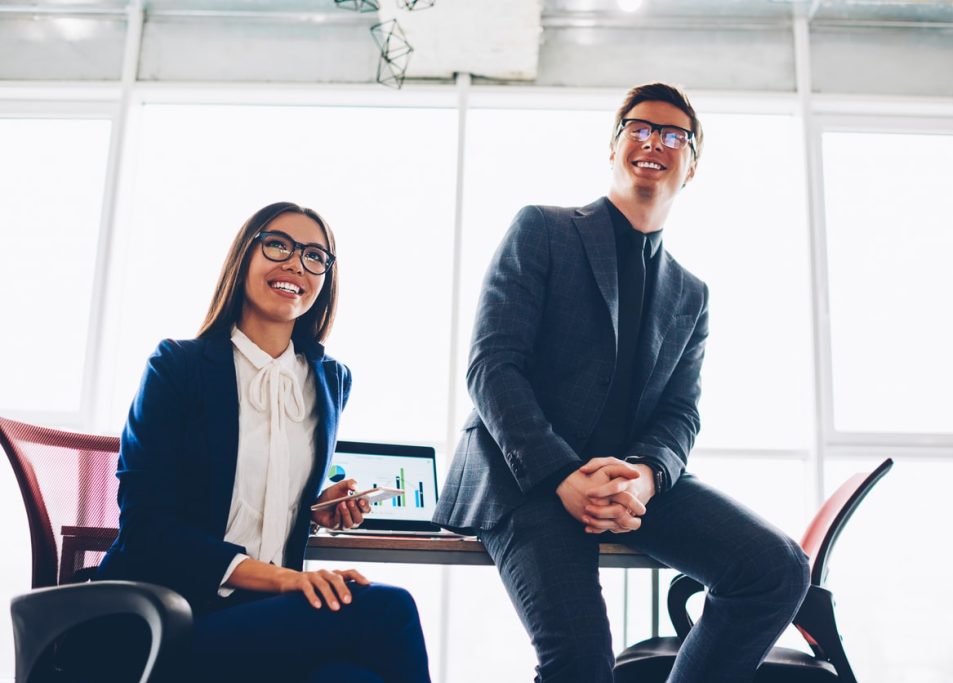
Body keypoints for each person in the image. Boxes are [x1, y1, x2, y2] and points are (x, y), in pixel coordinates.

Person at [434, 83, 810, 683]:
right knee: (582, 664)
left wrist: (648, 475)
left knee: (776, 568)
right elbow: (492, 365)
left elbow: (681, 414)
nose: (653, 141)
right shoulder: (544, 229)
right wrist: (562, 474)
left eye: (673, 135)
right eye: (638, 127)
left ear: (691, 167)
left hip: (630, 484)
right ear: (613, 147)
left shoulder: (691, 292)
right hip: (525, 477)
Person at [96, 202, 431, 683]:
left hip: (266, 619)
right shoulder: (178, 367)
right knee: (389, 609)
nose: (296, 264)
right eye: (279, 245)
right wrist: (288, 580)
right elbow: (147, 526)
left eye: (315, 256)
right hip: (170, 615)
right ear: (245, 256)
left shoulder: (329, 381)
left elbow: (242, 489)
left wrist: (310, 508)